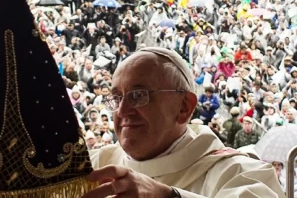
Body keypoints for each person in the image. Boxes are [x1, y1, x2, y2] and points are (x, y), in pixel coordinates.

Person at [86, 47, 284, 198]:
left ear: (184, 107)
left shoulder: (240, 174)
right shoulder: (94, 165)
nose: (122, 111)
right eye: (116, 98)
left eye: (138, 95)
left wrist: (168, 196)